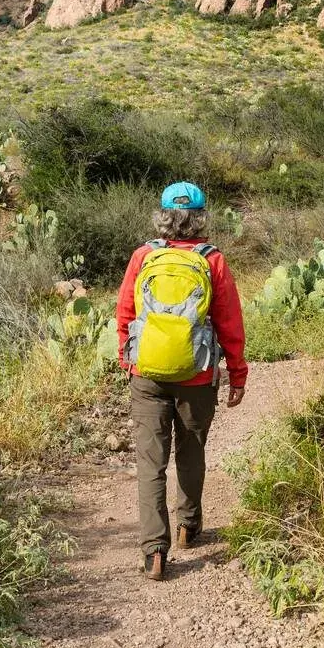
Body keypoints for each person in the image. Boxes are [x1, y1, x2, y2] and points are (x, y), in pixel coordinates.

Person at [115, 181, 248, 580]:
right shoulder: (213, 261)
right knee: (191, 451)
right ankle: (188, 525)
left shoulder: (143, 256)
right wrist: (237, 374)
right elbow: (229, 324)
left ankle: (155, 550)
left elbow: (125, 312)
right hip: (197, 373)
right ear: (200, 217)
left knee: (150, 463)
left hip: (148, 374)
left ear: (164, 216)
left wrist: (129, 360)